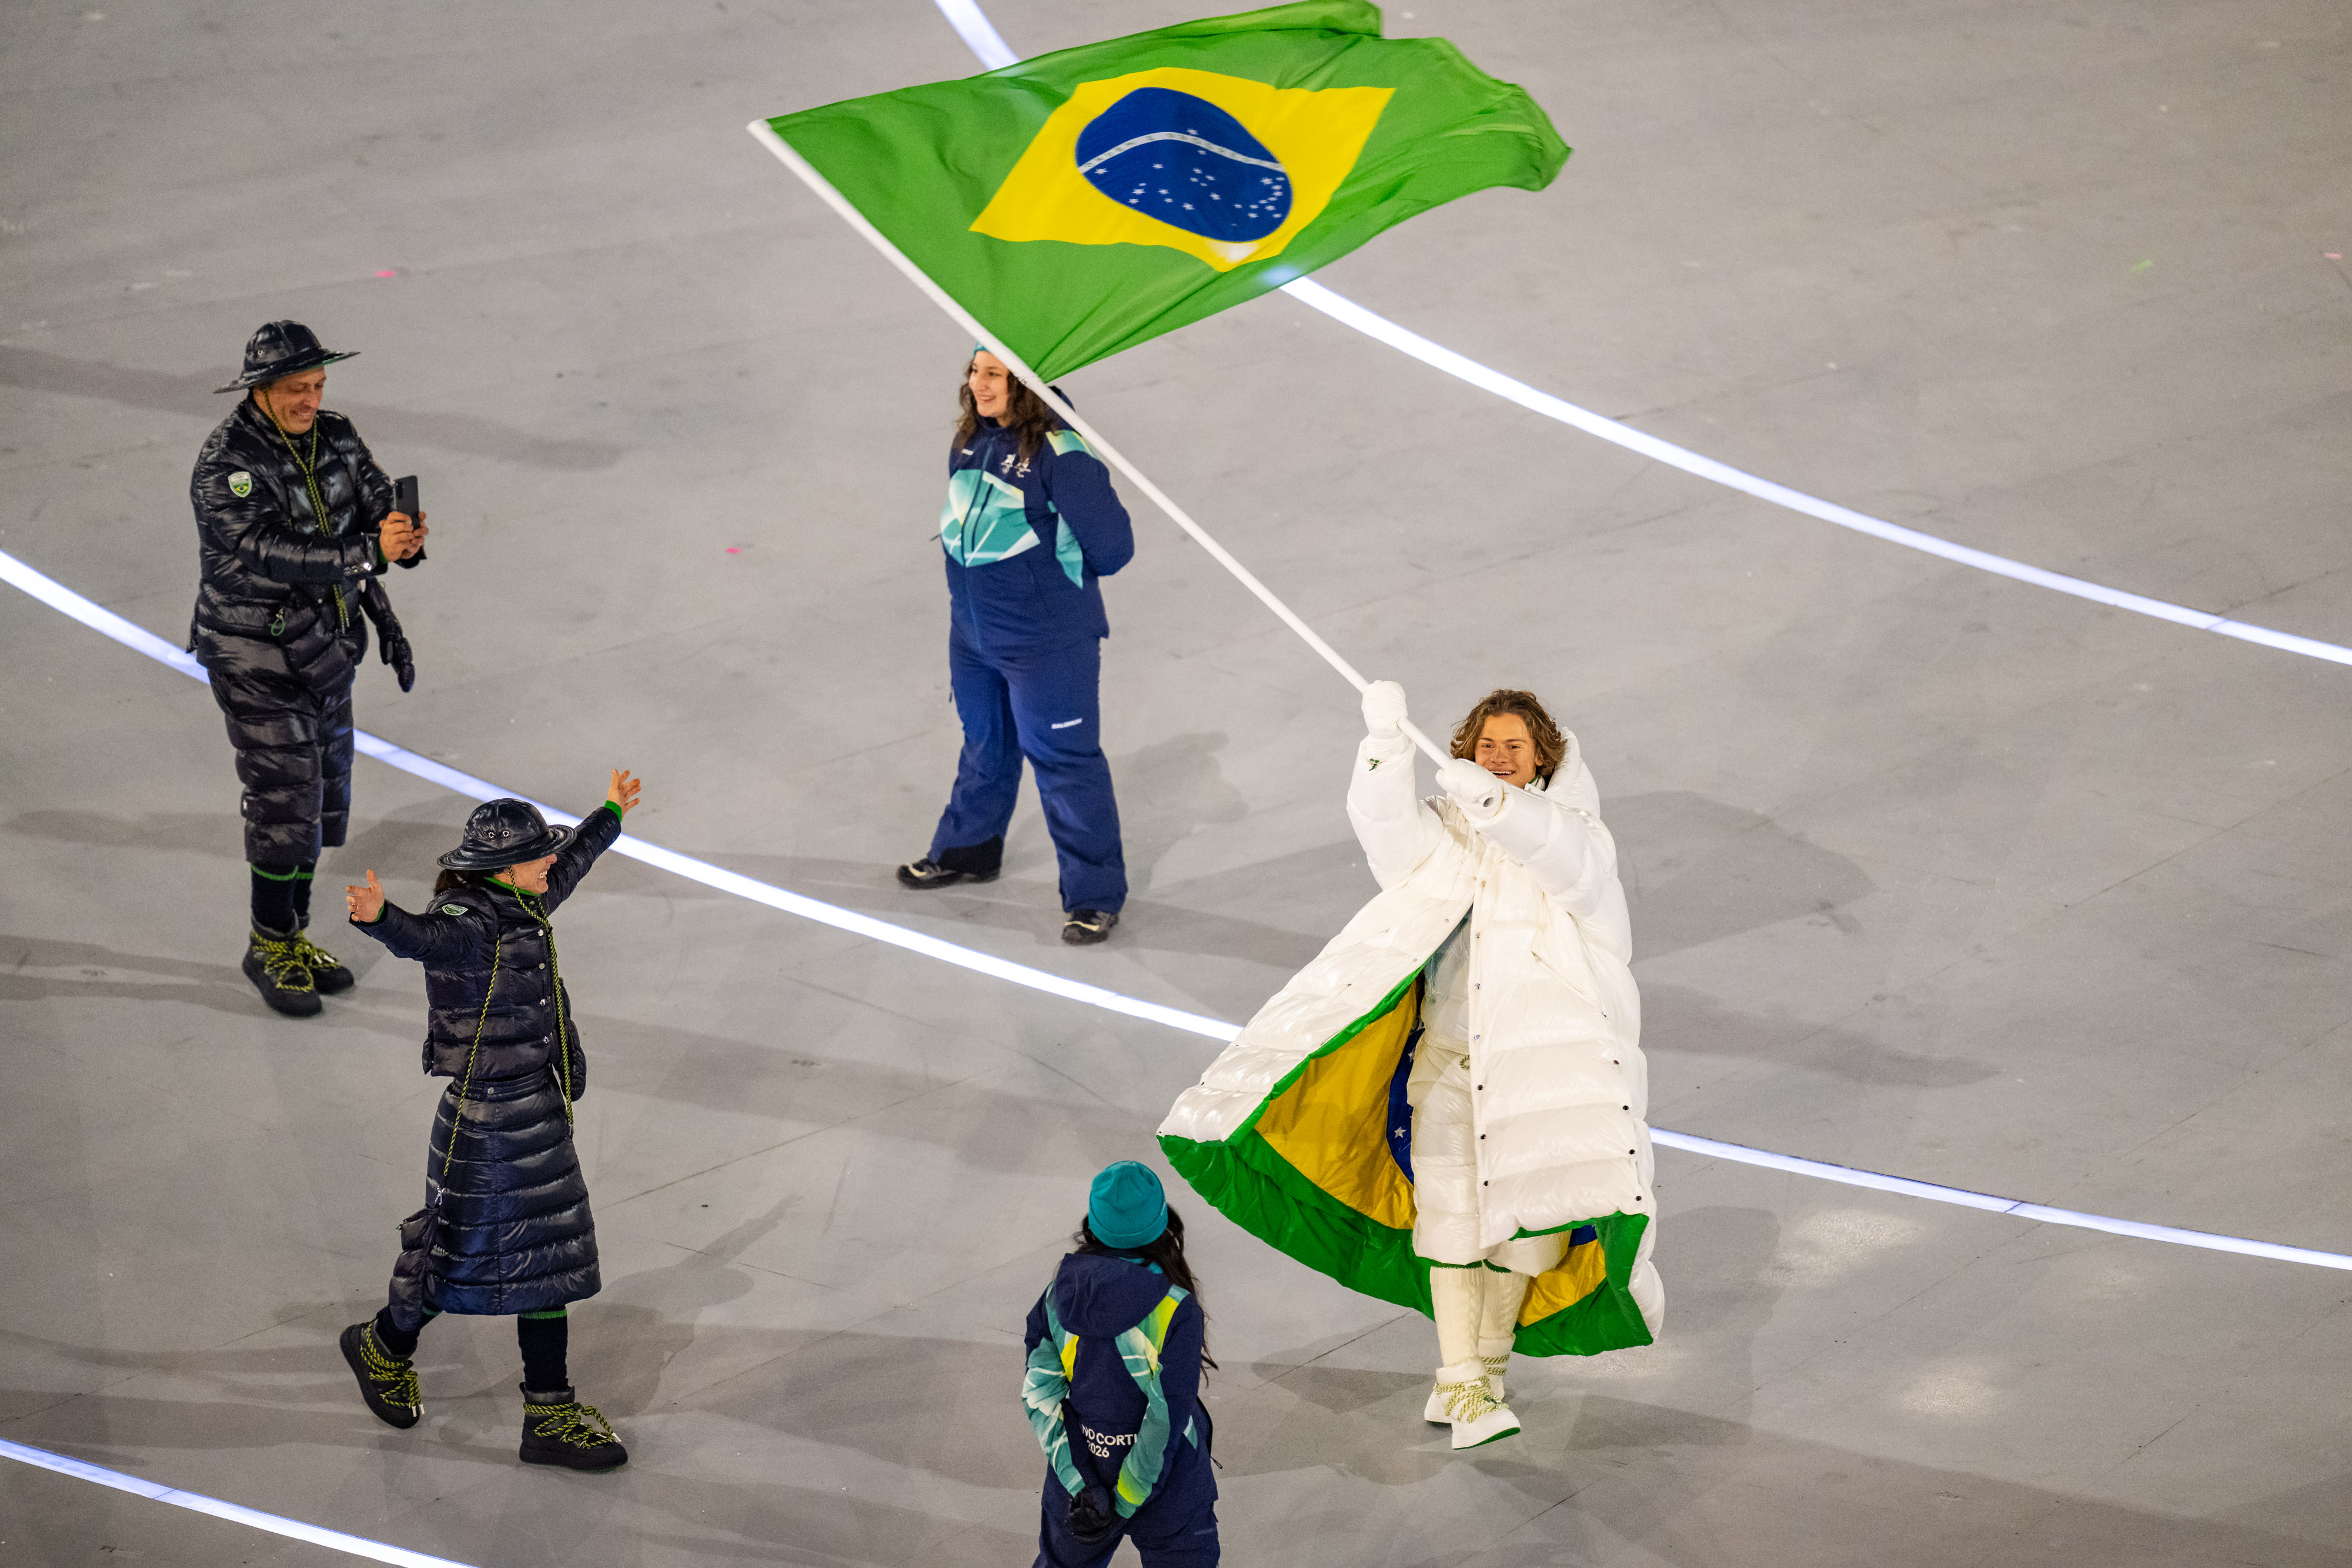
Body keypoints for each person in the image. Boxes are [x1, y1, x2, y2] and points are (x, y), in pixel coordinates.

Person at [1156, 683, 1661, 1450]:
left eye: (1513, 748)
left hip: (1543, 1082)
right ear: (1462, 748)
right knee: (1453, 1223)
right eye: (1485, 744)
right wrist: (1386, 750)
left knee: (1530, 1239)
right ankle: (1464, 1380)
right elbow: (1389, 838)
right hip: (1449, 1066)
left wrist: (1498, 807)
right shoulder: (1448, 833)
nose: (1496, 757)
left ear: (1544, 759)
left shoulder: (1582, 833)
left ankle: (1480, 1371)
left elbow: (1565, 859)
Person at [335, 775, 641, 1472]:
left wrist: (612, 811)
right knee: (463, 1259)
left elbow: (573, 862)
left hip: (535, 1108)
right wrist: (380, 918)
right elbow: (423, 940)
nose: (548, 865)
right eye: (537, 857)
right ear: (501, 869)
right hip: (487, 1126)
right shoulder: (470, 927)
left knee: (546, 1263)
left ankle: (549, 1413)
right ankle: (383, 1346)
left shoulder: (523, 897)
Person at [191, 320, 427, 1017]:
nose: (310, 400)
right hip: (253, 653)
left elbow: (375, 496)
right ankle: (269, 943)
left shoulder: (338, 434)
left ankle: (290, 934)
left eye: (317, 386)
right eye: (297, 389)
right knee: (284, 800)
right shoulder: (225, 466)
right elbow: (271, 552)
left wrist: (402, 534)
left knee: (321, 804)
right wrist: (367, 552)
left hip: (326, 646)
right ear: (261, 390)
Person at [897, 347, 1134, 945]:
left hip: (1047, 643)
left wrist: (1043, 587)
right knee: (985, 744)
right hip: (974, 634)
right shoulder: (970, 439)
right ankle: (969, 850)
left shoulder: (1061, 455)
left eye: (995, 374)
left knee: (1065, 763)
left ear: (1028, 383)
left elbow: (1113, 548)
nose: (979, 385)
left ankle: (1093, 897)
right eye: (975, 371)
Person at [1023, 1161, 1219, 1567]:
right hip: (1169, 1487)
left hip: (1079, 1479)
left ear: (1092, 1225)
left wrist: (1084, 1486)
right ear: (1164, 1227)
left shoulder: (1056, 1297)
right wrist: (1126, 1499)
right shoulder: (1175, 1308)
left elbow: (1041, 1397)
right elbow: (1165, 1417)